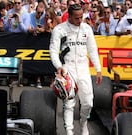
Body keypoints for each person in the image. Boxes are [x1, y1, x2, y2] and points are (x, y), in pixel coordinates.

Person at [49, 4, 102, 135]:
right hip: (68, 68)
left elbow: (92, 50)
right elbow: (53, 51)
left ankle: (83, 124)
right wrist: (59, 66)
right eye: (77, 18)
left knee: (88, 102)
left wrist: (98, 69)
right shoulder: (59, 30)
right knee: (69, 101)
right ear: (70, 16)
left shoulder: (87, 28)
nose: (80, 21)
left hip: (83, 68)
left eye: (81, 17)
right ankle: (69, 131)